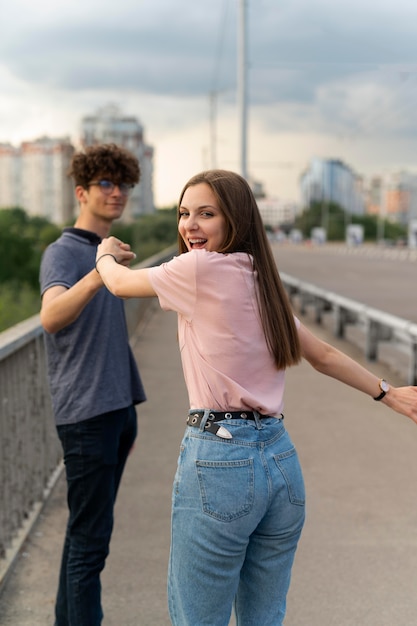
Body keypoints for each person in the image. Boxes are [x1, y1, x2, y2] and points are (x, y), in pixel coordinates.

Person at [95, 169, 417, 626]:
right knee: (263, 617)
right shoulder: (259, 278)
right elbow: (321, 355)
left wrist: (104, 254)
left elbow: (119, 284)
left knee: (197, 618)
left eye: (207, 214)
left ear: (236, 220)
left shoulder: (199, 269)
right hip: (281, 463)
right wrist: (389, 394)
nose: (190, 225)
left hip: (220, 457)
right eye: (184, 213)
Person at [39, 143, 146, 626]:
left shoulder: (110, 253)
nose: (116, 192)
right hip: (86, 416)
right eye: (105, 183)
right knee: (90, 546)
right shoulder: (64, 252)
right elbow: (51, 316)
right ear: (81, 192)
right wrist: (100, 270)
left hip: (118, 408)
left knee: (85, 537)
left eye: (122, 184)